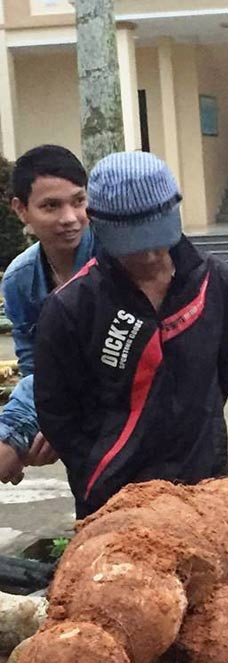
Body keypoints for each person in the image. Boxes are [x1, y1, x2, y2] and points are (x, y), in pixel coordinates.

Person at [34, 151, 228, 518]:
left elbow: (219, 371)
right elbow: (58, 413)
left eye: (156, 237)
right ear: (95, 222)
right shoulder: (71, 307)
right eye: (132, 242)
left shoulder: (214, 282)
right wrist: (98, 470)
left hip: (206, 488)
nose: (147, 254)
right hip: (115, 499)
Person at [0, 144, 94, 484]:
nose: (69, 218)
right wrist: (49, 424)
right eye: (51, 206)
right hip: (83, 445)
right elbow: (38, 371)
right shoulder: (20, 280)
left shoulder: (115, 258)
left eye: (78, 201)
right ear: (21, 209)